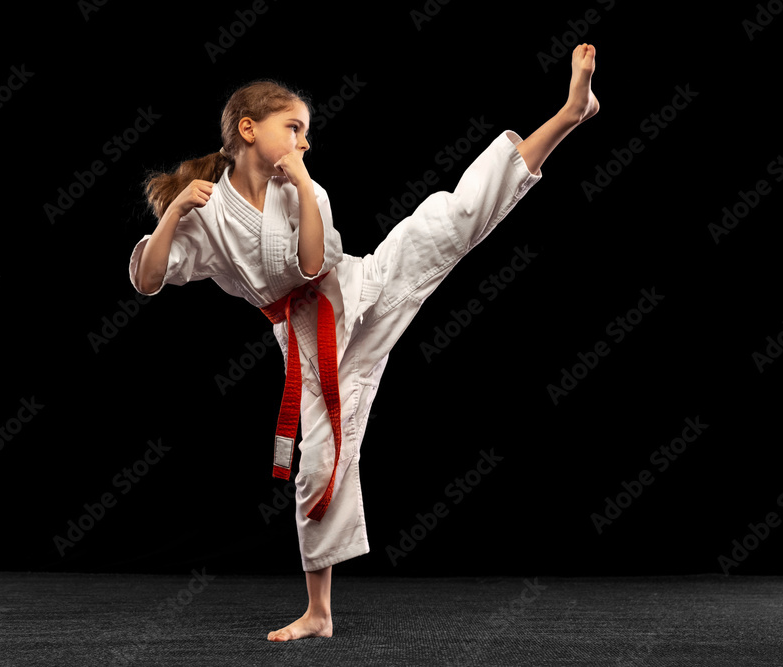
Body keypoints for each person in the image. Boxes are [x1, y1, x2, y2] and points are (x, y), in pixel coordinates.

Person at [129, 43, 600, 642]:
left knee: (451, 220)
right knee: (319, 463)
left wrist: (299, 179)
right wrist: (172, 216)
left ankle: (567, 115)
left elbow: (311, 265)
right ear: (248, 129)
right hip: (309, 342)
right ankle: (319, 613)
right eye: (293, 128)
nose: (304, 141)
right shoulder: (206, 217)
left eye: (306, 132)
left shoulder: (305, 188)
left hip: (360, 285)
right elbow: (147, 280)